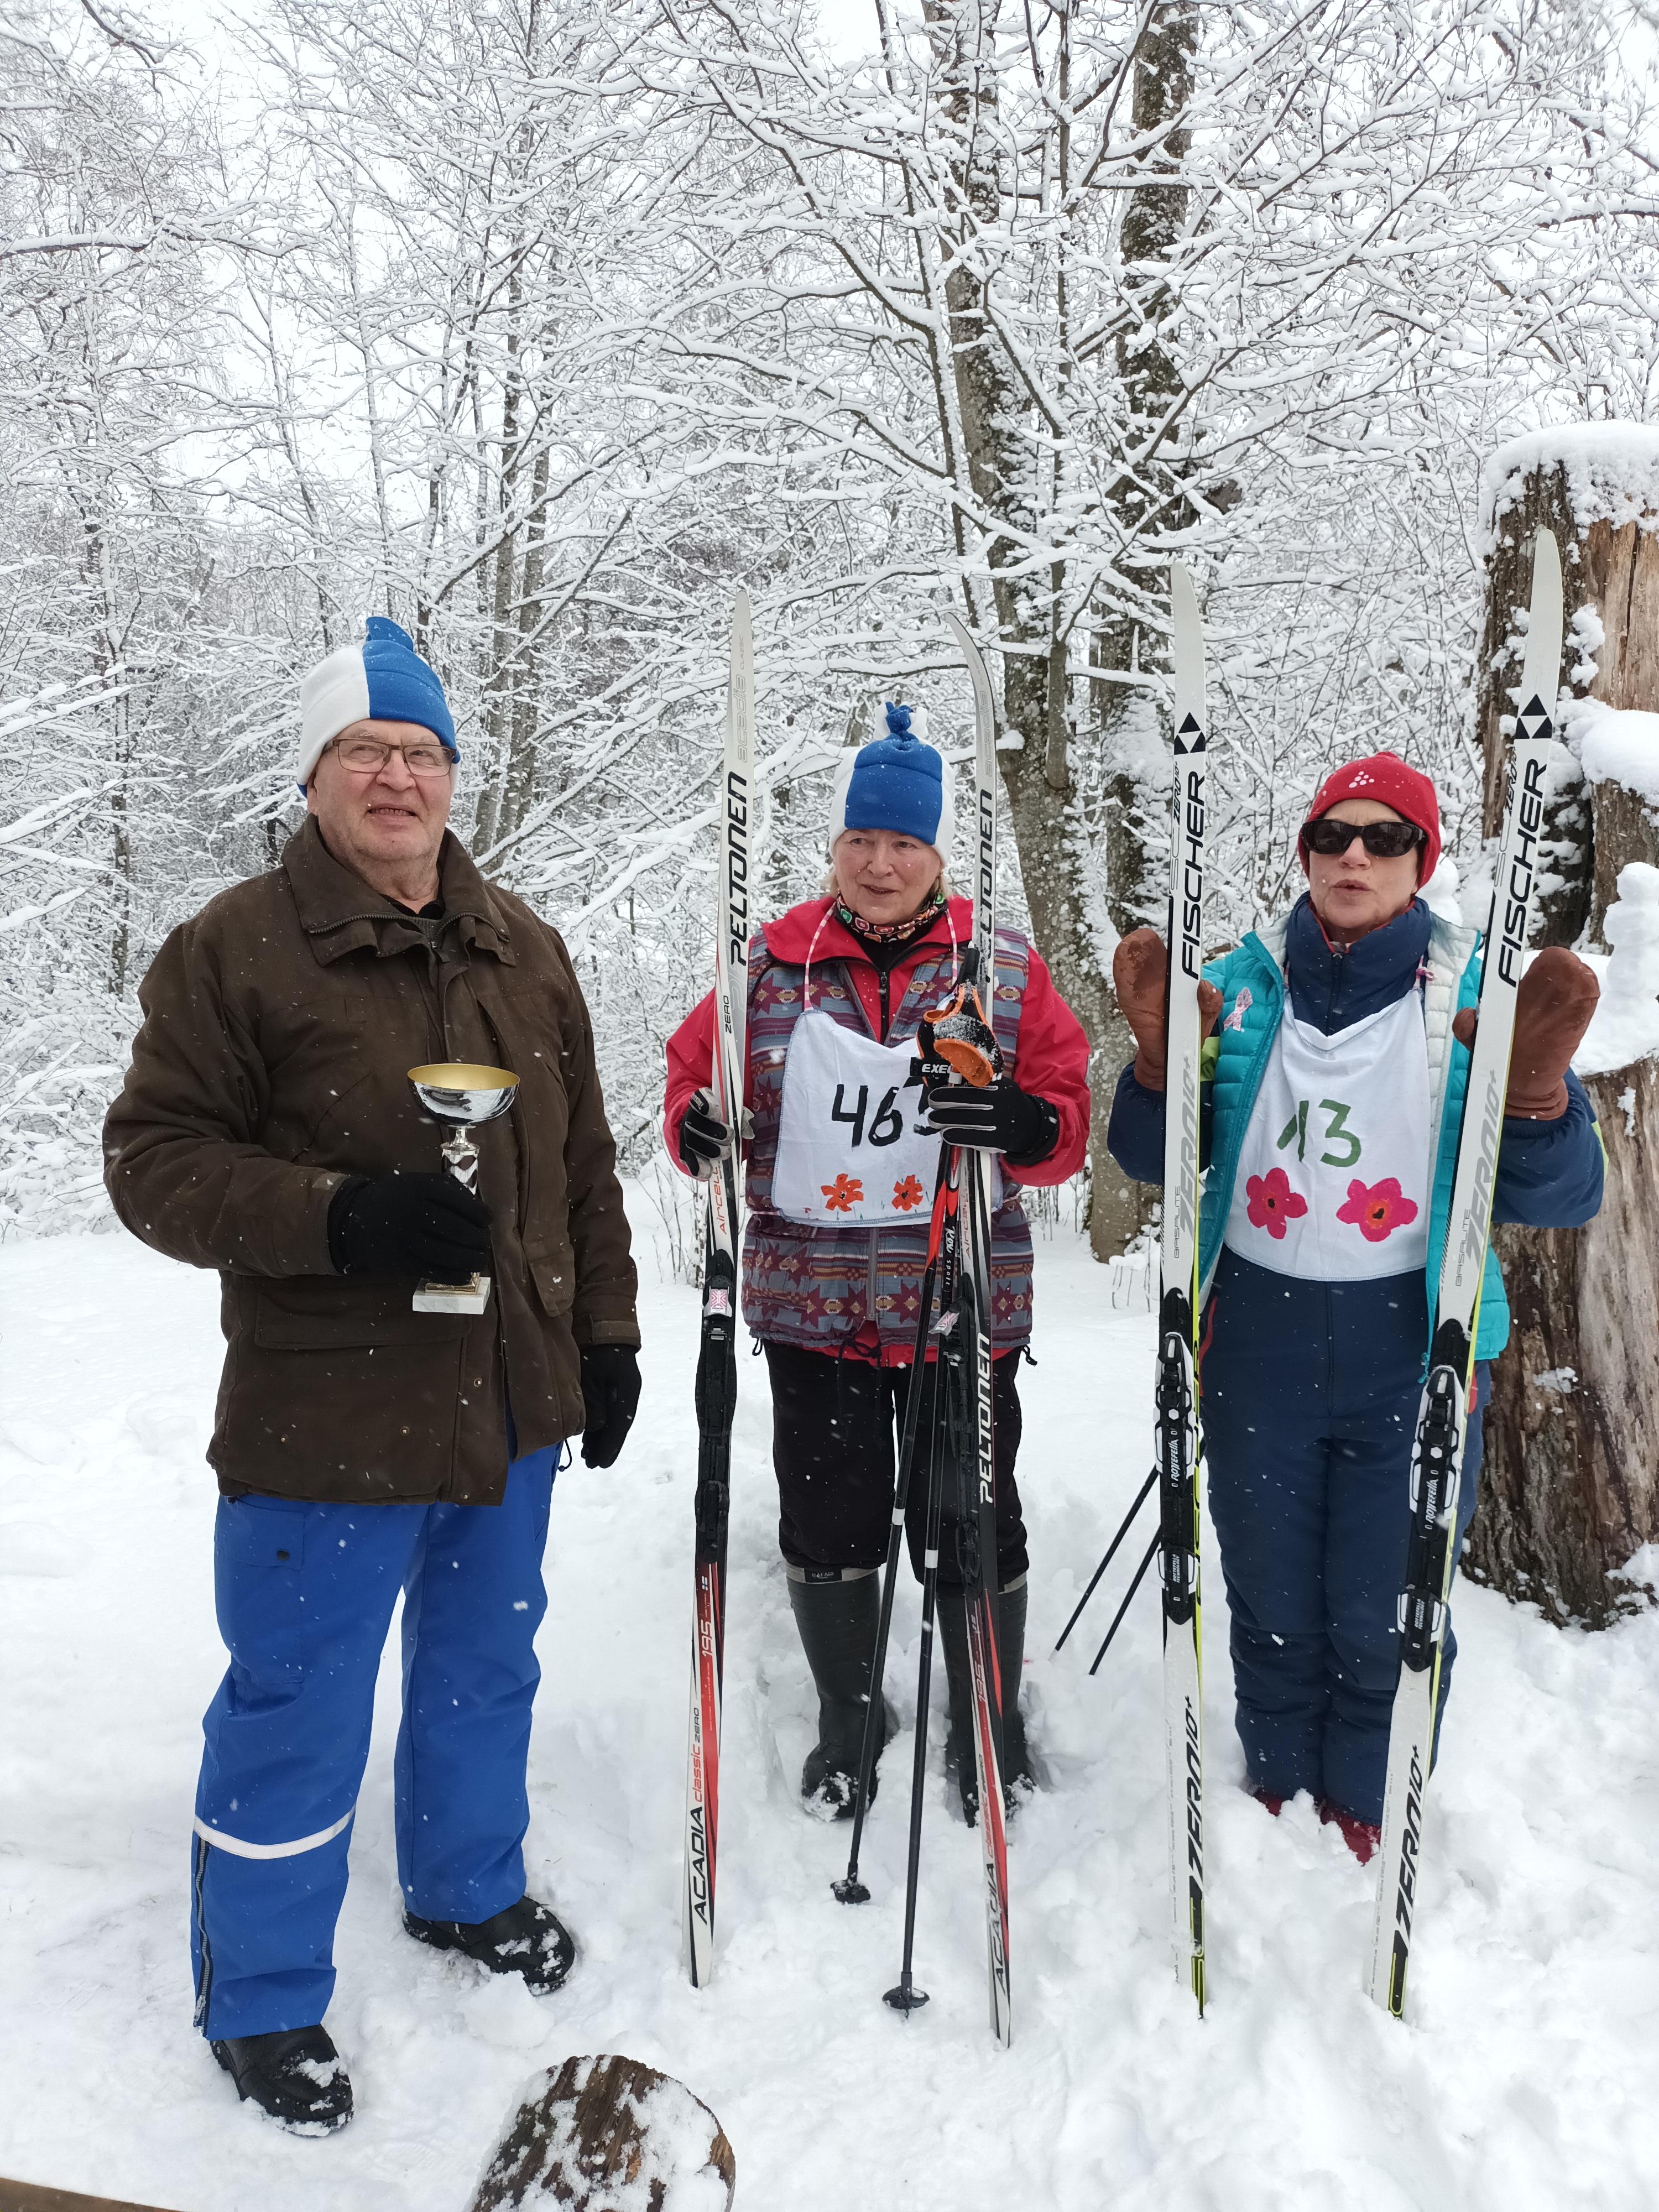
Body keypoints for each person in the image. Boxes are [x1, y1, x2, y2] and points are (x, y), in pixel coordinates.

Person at [103, 617, 643, 2134]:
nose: (396, 778)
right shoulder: (237, 947)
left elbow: (583, 1165)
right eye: (366, 752)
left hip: (510, 1404)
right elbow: (153, 1164)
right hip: (327, 1414)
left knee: (485, 1670)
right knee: (297, 1702)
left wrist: (603, 1336)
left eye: (420, 753)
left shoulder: (520, 946)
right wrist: (337, 1216)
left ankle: (465, 1892)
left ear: (452, 777)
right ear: (318, 774)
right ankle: (265, 1997)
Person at [1107, 750, 1603, 1858]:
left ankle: (1374, 1803)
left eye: (1384, 839)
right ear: (1306, 852)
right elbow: (1147, 1160)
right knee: (1273, 1590)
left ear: (1420, 862)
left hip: (1408, 1341)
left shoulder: (1478, 994)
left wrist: (1533, 1097)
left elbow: (1571, 1195)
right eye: (1334, 835)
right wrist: (1159, 1068)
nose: (1355, 857)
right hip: (1260, 1335)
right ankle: (1279, 1791)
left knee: (1389, 1601)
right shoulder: (1237, 987)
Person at [662, 706, 1091, 1822]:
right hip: (815, 1306)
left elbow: (1065, 1117)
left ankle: (987, 1715)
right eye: (863, 841)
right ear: (838, 847)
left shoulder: (998, 967)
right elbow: (694, 1075)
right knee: (830, 1514)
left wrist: (1014, 1117)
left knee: (971, 1510)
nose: (881, 862)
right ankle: (850, 1711)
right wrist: (696, 1126)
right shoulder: (775, 959)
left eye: (904, 843)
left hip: (958, 1298)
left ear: (938, 853)